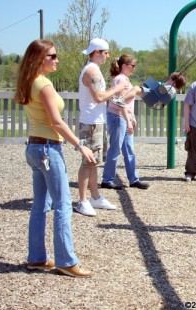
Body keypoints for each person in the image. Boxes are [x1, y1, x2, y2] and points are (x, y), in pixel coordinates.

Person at [14, 39, 94, 277]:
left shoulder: (28, 83)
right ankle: (66, 261)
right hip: (48, 149)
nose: (57, 59)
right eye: (52, 56)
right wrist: (80, 145)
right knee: (62, 205)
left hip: (35, 148)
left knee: (40, 205)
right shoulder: (44, 85)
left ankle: (37, 258)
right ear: (40, 58)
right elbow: (56, 122)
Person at [76, 38, 128, 217]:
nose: (108, 56)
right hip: (90, 123)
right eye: (105, 53)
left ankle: (95, 197)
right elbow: (99, 97)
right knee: (87, 162)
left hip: (95, 121)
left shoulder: (93, 70)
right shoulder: (92, 71)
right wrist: (118, 88)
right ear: (97, 52)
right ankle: (82, 201)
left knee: (94, 162)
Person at [101, 54, 150, 190]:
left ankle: (133, 179)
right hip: (117, 117)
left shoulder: (125, 79)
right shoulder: (120, 80)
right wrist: (128, 120)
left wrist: (130, 118)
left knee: (129, 149)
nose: (133, 68)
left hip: (123, 117)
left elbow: (126, 103)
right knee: (115, 149)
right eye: (132, 66)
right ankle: (107, 179)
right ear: (124, 66)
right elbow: (118, 102)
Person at [111, 71, 187, 108]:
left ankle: (121, 100)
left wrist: (156, 84)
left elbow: (160, 91)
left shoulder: (171, 89)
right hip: (154, 98)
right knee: (133, 89)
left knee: (136, 89)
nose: (167, 80)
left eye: (169, 79)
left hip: (153, 98)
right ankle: (121, 97)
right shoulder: (172, 90)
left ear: (174, 82)